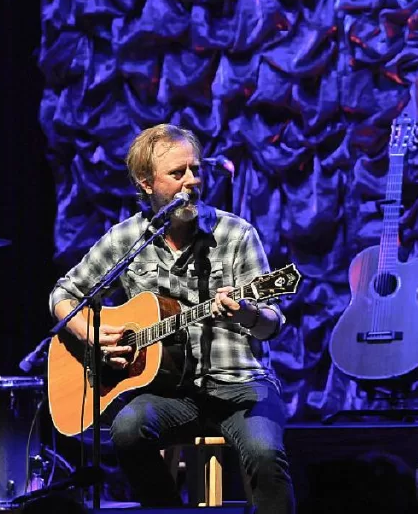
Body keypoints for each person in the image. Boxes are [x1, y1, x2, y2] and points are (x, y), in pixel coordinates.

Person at [49, 124, 294, 512]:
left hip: (241, 388)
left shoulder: (236, 233)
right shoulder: (127, 239)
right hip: (170, 395)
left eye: (195, 169)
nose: (192, 181)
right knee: (127, 429)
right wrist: (92, 334)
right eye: (178, 173)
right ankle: (166, 509)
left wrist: (248, 313)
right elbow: (64, 295)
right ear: (146, 184)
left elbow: (273, 324)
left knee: (265, 454)